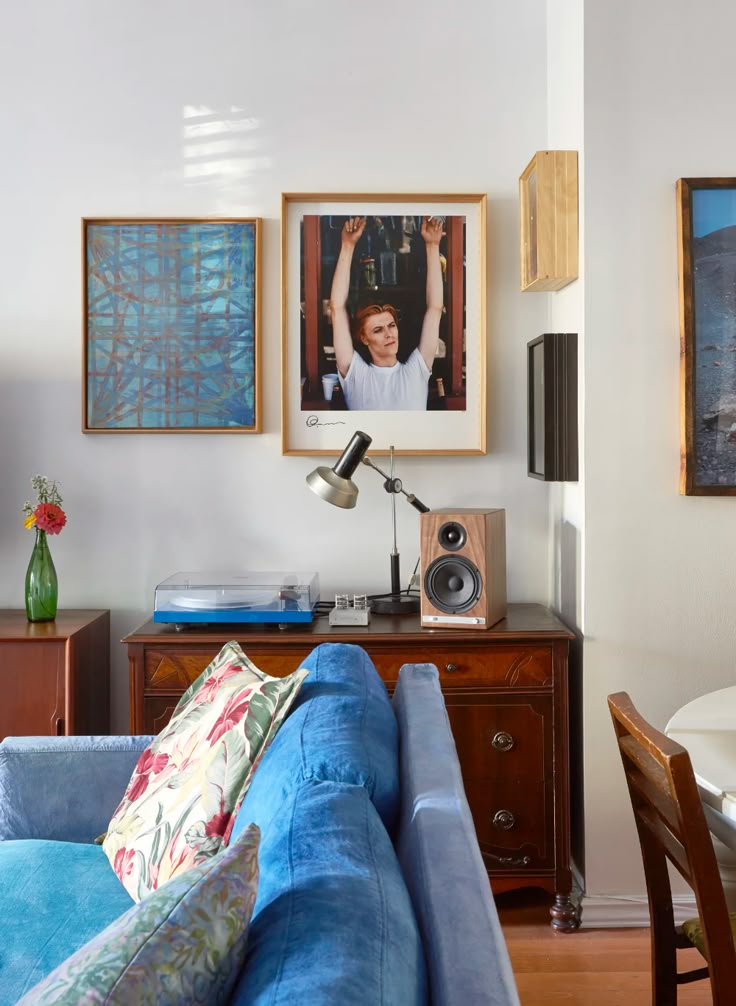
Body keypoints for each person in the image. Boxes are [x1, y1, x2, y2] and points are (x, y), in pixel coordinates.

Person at [330, 215, 444, 410]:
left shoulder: (416, 371)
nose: (389, 333)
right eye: (377, 330)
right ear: (364, 338)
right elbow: (337, 309)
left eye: (391, 325)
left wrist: (433, 246)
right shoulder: (357, 375)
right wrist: (347, 246)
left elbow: (435, 309)